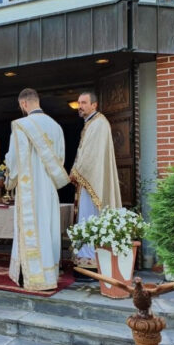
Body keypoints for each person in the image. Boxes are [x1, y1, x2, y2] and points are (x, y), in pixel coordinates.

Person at [5, 88, 70, 291]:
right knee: (47, 229)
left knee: (32, 229)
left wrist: (8, 178)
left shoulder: (21, 126)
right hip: (49, 188)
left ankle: (30, 275)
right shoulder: (56, 126)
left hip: (29, 189)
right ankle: (49, 274)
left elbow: (13, 160)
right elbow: (60, 159)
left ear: (24, 104)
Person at [70, 91, 122, 268]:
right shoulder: (91, 123)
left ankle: (92, 260)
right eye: (79, 103)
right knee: (86, 218)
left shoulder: (99, 123)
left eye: (84, 103)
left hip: (93, 180)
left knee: (90, 216)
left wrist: (75, 172)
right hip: (87, 180)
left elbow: (91, 156)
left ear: (94, 105)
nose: (80, 106)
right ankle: (85, 258)